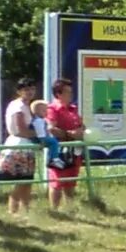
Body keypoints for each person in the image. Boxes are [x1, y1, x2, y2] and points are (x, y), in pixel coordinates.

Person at [0, 78, 42, 216]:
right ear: (19, 91)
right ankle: (13, 211)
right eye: (26, 89)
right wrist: (40, 135)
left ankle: (25, 210)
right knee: (20, 181)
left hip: (27, 145)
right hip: (19, 144)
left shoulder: (28, 106)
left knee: (27, 180)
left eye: (32, 89)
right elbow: (21, 129)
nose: (29, 92)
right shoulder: (18, 106)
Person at [41, 78, 84, 209]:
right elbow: (51, 128)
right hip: (59, 149)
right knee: (57, 180)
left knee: (71, 180)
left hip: (74, 149)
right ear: (58, 94)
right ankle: (54, 210)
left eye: (71, 92)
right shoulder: (52, 109)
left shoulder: (73, 108)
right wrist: (68, 134)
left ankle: (69, 207)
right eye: (67, 92)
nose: (70, 95)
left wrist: (80, 131)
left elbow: (81, 125)